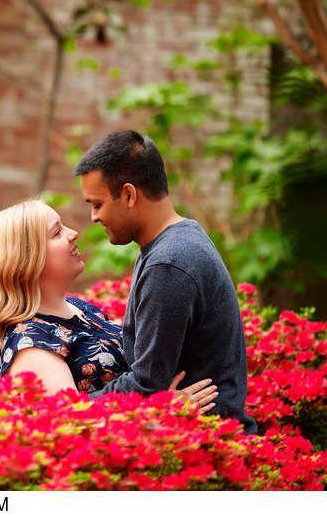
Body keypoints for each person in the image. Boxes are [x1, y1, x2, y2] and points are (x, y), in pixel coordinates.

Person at [73, 129, 258, 434]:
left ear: (129, 195)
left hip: (206, 446)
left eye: (97, 204)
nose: (93, 216)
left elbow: (146, 384)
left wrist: (68, 411)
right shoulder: (180, 238)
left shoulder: (169, 263)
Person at [0, 199, 218, 413]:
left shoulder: (81, 309)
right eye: (57, 232)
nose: (73, 233)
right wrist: (161, 408)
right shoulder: (31, 347)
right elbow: (72, 425)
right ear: (27, 260)